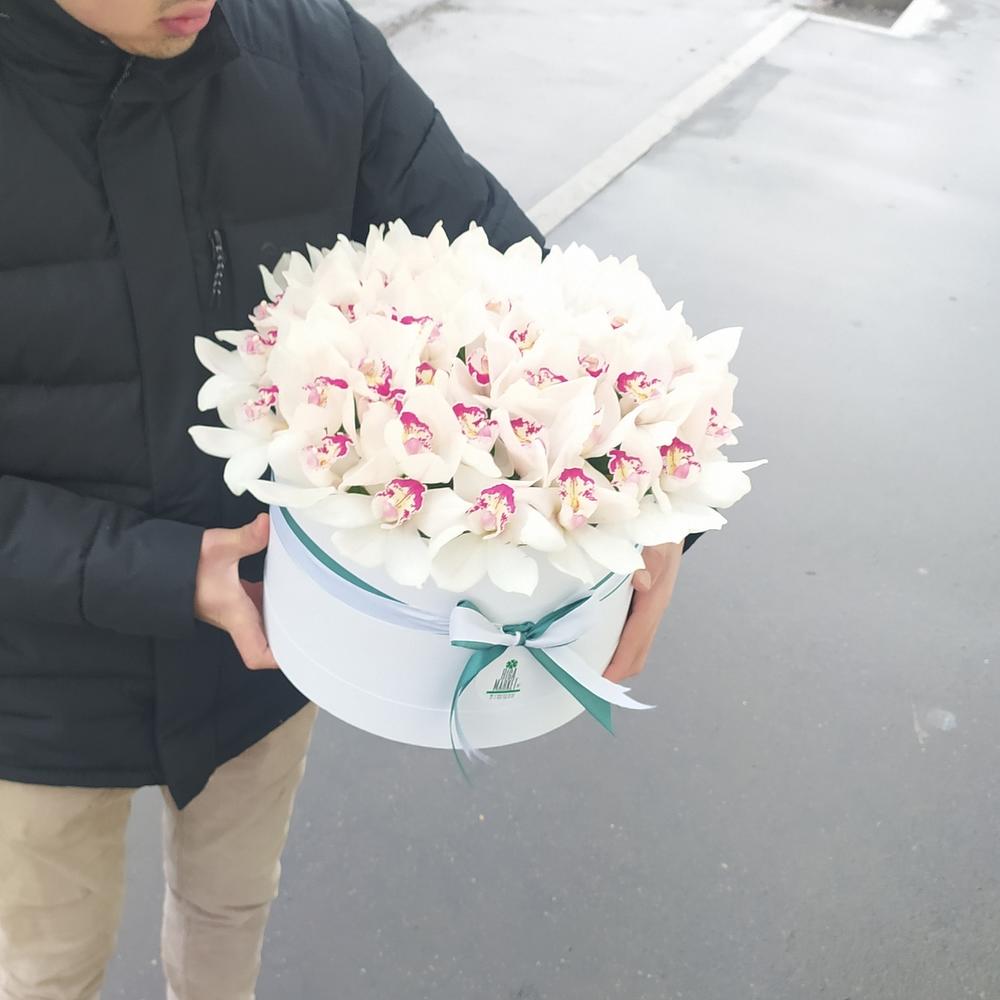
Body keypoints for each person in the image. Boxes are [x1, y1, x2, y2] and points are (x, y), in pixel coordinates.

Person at [0, 0, 696, 996]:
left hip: (270, 645)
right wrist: (156, 570)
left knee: (231, 906)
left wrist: (644, 489)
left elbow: (527, 298)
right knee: (44, 965)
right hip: (33, 688)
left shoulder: (317, 58)